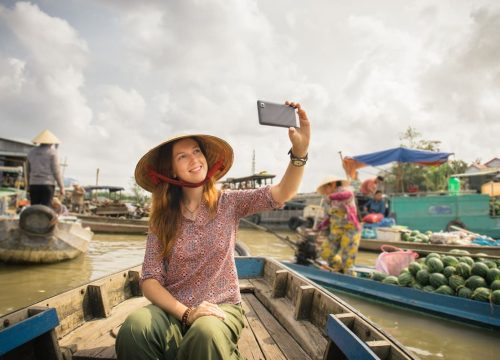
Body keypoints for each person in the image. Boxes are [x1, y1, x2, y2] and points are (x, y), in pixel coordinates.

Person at [115, 101, 310, 360]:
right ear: (171, 169)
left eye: (197, 151)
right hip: (174, 310)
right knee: (134, 330)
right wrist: (185, 313)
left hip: (221, 307)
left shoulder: (228, 203)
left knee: (205, 333)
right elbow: (149, 279)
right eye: (182, 156)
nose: (194, 159)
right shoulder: (161, 218)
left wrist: (300, 153)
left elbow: (281, 192)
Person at [316, 176, 361, 276]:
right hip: (336, 231)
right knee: (325, 252)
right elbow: (329, 216)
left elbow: (348, 194)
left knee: (347, 257)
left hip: (350, 230)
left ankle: (349, 275)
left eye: (326, 188)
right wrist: (321, 226)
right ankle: (339, 268)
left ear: (332, 184)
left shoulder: (343, 192)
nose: (325, 192)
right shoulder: (332, 200)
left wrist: (331, 197)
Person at [27, 129, 65, 207]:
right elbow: (56, 171)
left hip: (34, 184)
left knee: (34, 209)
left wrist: (28, 184)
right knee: (45, 210)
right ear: (51, 142)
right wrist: (61, 186)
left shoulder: (31, 152)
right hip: (47, 184)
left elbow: (28, 170)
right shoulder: (52, 152)